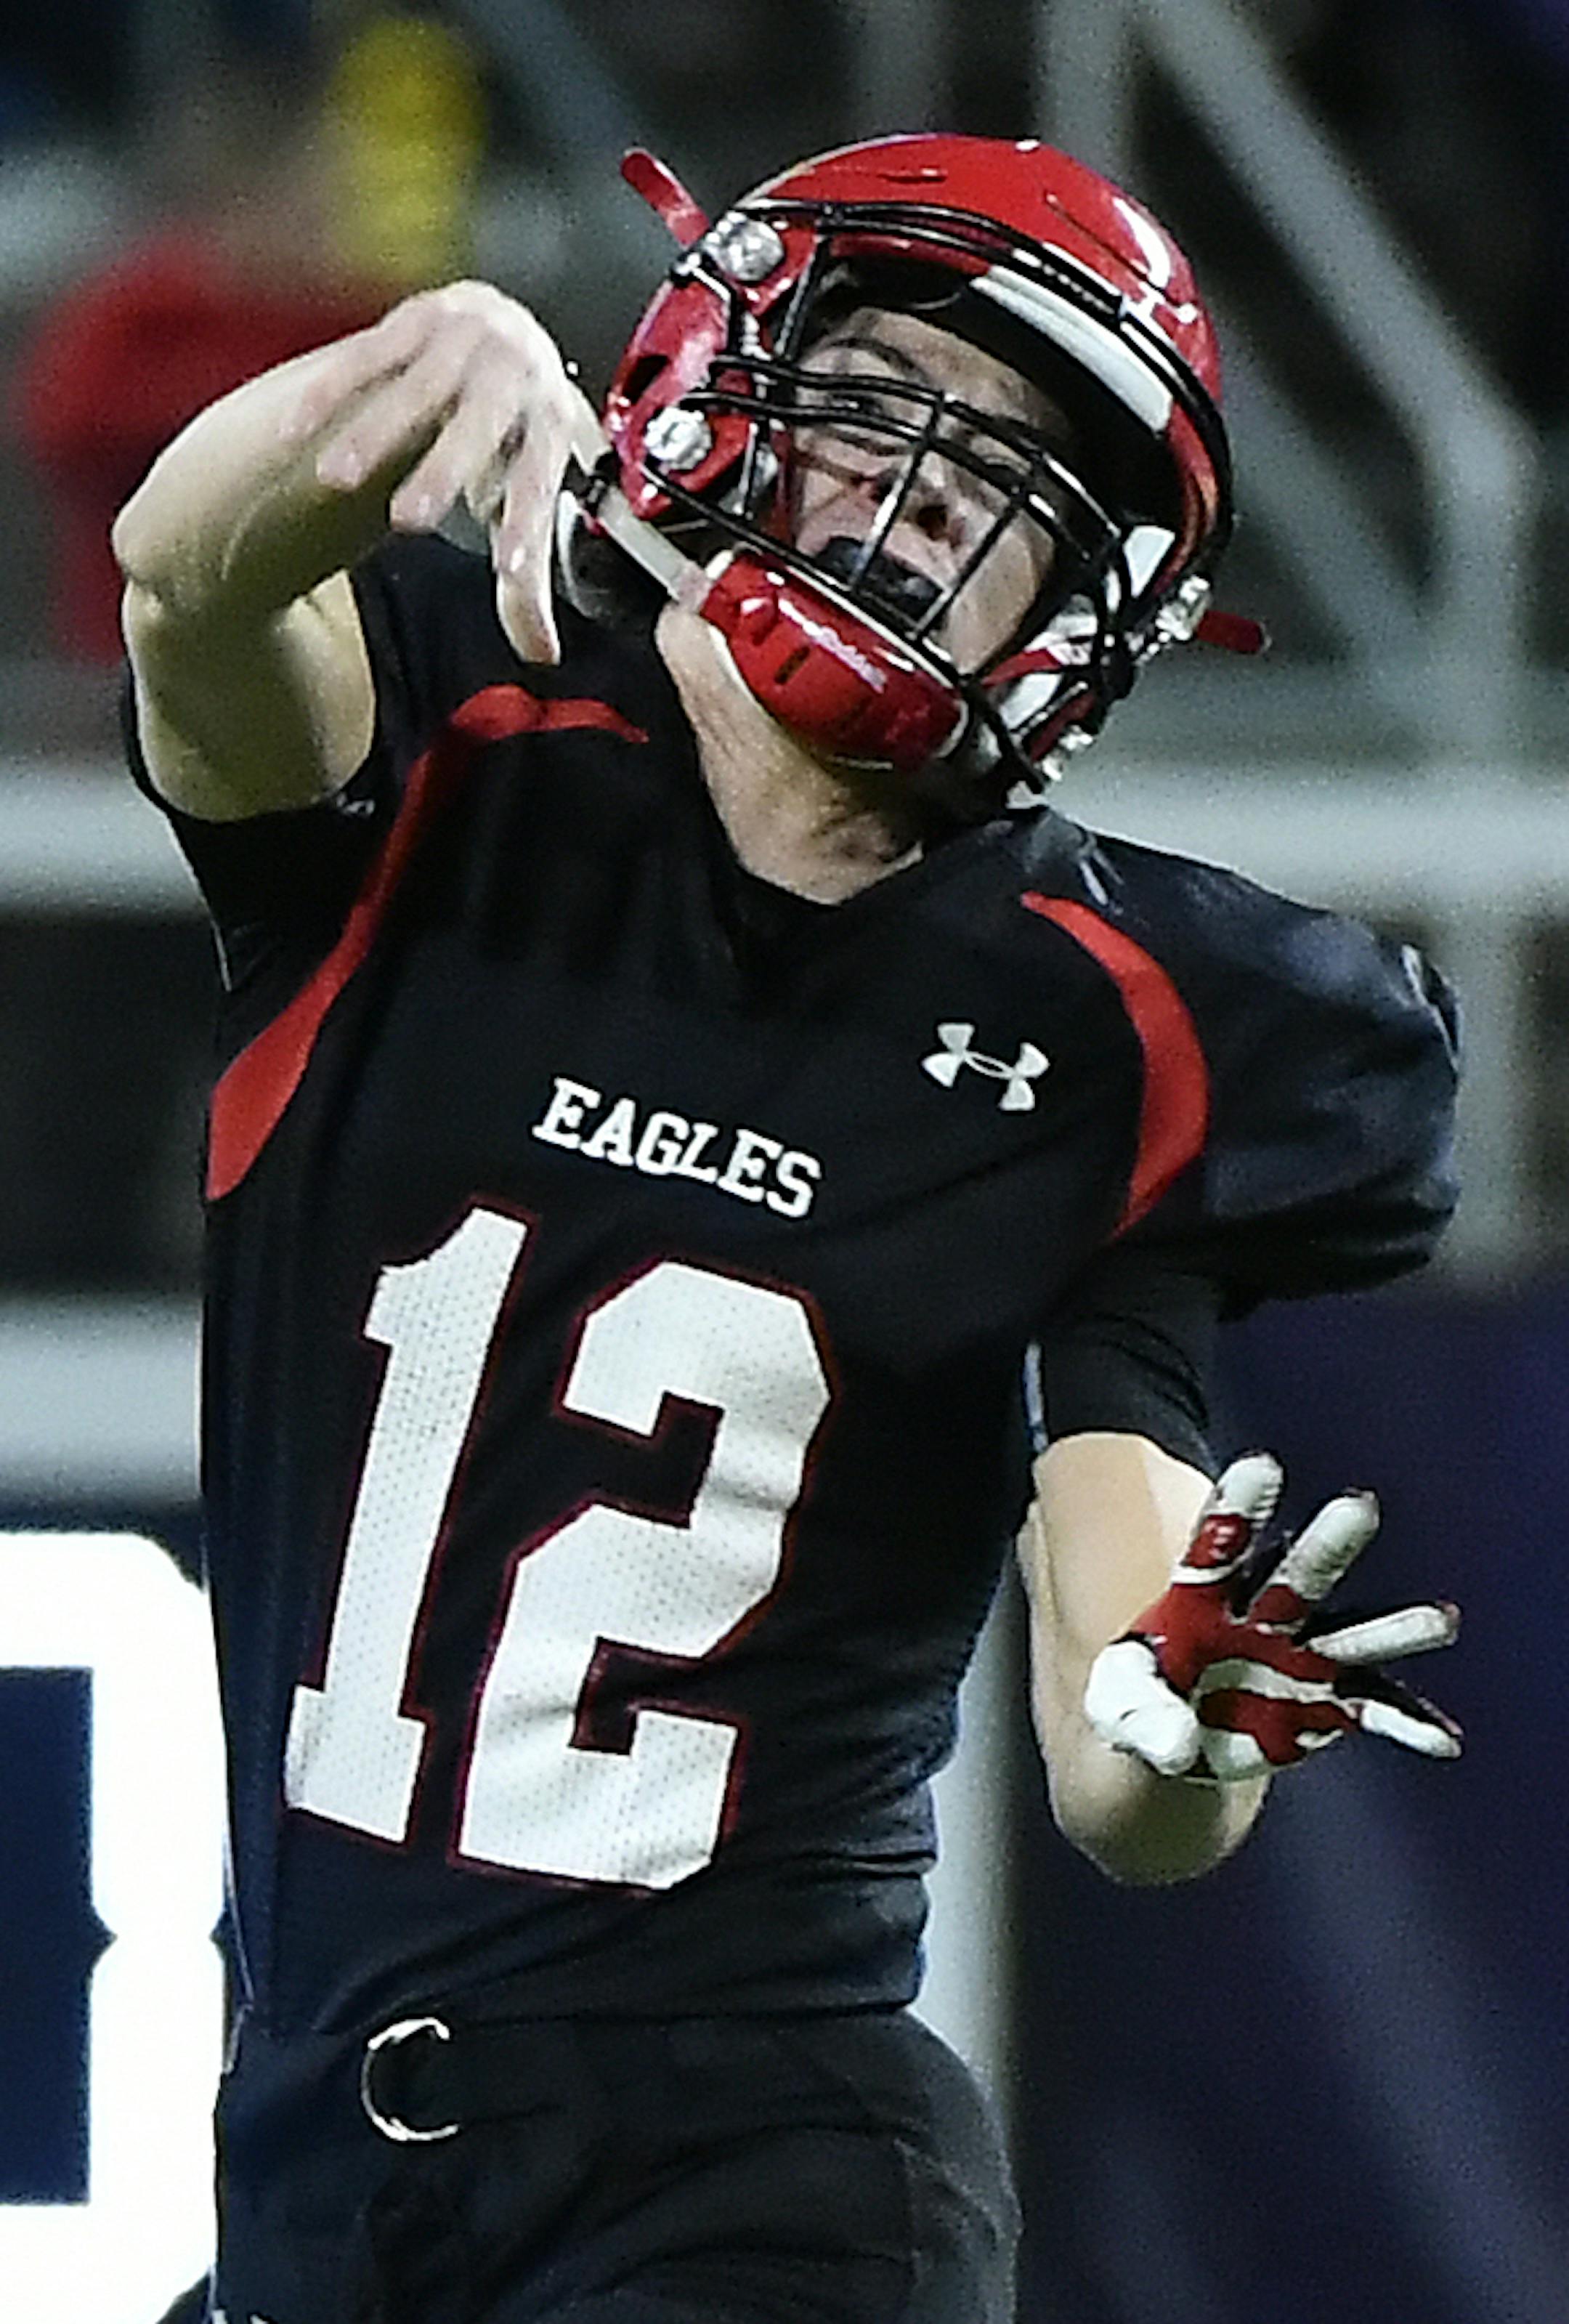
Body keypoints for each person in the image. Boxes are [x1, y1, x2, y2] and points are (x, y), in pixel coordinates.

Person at [115, 134, 1462, 2324]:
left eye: (1021, 470)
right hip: (318, 2162)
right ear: (706, 382)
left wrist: (1189, 1709)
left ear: (1092, 619)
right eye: (886, 394)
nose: (937, 484)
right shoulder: (458, 744)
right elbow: (188, 578)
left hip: (747, 2180)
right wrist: (381, 388)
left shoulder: (1110, 1031)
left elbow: (1125, 1733)